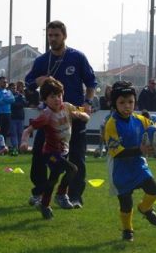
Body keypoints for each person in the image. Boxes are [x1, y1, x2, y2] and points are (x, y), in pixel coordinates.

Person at [25, 20, 97, 209]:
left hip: (73, 115)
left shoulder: (77, 57)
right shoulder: (42, 60)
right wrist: (38, 80)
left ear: (64, 36)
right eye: (50, 35)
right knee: (40, 156)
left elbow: (91, 83)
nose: (53, 39)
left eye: (56, 35)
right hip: (50, 118)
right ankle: (39, 192)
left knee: (77, 157)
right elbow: (29, 82)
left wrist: (87, 103)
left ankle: (72, 196)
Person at [20, 78, 89, 218]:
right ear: (45, 99)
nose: (57, 99)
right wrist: (24, 142)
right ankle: (61, 195)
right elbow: (27, 130)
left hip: (63, 152)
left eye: (59, 95)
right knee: (73, 169)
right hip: (50, 153)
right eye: (52, 97)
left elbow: (87, 116)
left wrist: (81, 115)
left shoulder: (68, 107)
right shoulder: (46, 115)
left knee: (52, 180)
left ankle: (44, 205)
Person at [104, 81, 156, 242]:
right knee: (125, 202)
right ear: (115, 104)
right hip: (119, 167)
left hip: (138, 164)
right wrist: (140, 150)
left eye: (130, 102)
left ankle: (144, 208)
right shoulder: (111, 125)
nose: (127, 106)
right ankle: (127, 230)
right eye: (122, 102)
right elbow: (117, 153)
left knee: (155, 190)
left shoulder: (140, 120)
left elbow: (154, 127)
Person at [0, 76, 15, 143]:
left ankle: (2, 145)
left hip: (8, 113)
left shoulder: (8, 91)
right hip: (0, 114)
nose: (5, 83)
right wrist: (6, 100)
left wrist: (3, 99)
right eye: (3, 82)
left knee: (6, 131)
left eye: (6, 82)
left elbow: (13, 100)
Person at [9, 82, 26, 156]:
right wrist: (18, 104)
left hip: (20, 117)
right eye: (12, 88)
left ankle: (20, 148)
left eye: (15, 88)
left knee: (20, 133)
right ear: (9, 89)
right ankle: (15, 148)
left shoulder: (20, 95)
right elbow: (11, 105)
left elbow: (24, 103)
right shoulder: (8, 96)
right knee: (14, 134)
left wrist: (16, 104)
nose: (14, 89)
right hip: (12, 117)